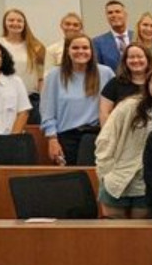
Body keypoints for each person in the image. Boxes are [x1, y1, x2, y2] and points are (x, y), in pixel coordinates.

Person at [95, 69, 152, 218]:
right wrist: (105, 172)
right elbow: (106, 139)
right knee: (113, 234)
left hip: (146, 183)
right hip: (117, 177)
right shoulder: (129, 106)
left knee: (138, 234)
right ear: (147, 85)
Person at [42, 34, 114, 166]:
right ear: (67, 51)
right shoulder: (54, 75)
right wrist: (52, 139)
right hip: (66, 138)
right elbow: (47, 111)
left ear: (92, 51)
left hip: (96, 136)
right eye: (75, 48)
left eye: (85, 48)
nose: (80, 51)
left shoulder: (105, 73)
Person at [0, 8, 45, 110]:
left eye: (19, 21)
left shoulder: (35, 46)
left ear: (24, 24)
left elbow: (41, 77)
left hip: (30, 98)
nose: (15, 23)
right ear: (5, 23)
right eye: (11, 20)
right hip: (2, 98)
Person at [100, 43, 152, 124]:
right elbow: (104, 113)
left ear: (148, 59)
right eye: (131, 57)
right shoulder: (114, 83)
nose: (135, 60)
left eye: (140, 57)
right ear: (125, 61)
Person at [91, 0, 131, 71]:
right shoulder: (97, 42)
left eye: (117, 12)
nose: (114, 15)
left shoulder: (137, 37)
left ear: (125, 15)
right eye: (110, 13)